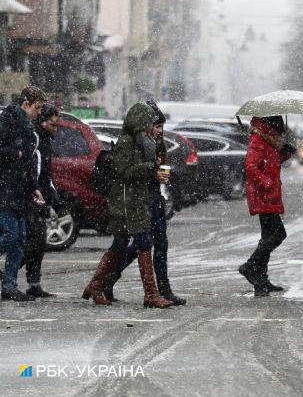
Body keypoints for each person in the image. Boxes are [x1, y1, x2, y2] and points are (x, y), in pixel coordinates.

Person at [82, 102, 173, 308]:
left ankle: (96, 285)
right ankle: (150, 294)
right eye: (149, 123)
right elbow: (125, 172)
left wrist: (155, 170)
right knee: (139, 242)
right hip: (125, 200)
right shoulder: (127, 141)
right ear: (140, 122)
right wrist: (151, 168)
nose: (153, 127)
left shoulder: (144, 141)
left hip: (136, 199)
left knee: (125, 243)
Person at [102, 100, 185, 305]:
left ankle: (162, 289)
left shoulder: (155, 142)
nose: (159, 130)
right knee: (138, 244)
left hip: (154, 197)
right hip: (140, 198)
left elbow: (159, 166)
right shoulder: (136, 141)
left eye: (161, 127)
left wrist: (160, 174)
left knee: (158, 243)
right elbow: (129, 171)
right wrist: (152, 172)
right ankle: (109, 281)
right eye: (156, 126)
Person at [239, 116, 294, 297]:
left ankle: (261, 280)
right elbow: (251, 167)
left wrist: (284, 154)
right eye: (279, 130)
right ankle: (250, 266)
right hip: (263, 194)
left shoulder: (267, 140)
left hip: (268, 194)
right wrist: (268, 183)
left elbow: (269, 161)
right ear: (271, 127)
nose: (280, 134)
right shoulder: (258, 139)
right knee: (278, 234)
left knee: (267, 236)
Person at [0, 86, 46, 301]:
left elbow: (28, 163)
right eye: (37, 107)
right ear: (26, 104)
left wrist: (33, 187)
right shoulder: (7, 120)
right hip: (4, 189)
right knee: (10, 235)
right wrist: (15, 153)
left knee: (20, 240)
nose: (39, 112)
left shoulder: (28, 127)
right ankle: (8, 285)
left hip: (19, 191)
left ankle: (9, 286)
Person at [19, 104, 62, 298]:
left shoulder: (45, 140)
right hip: (30, 197)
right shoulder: (35, 138)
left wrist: (52, 197)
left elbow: (46, 174)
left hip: (39, 198)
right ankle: (13, 279)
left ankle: (33, 283)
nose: (56, 128)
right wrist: (34, 191)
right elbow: (32, 170)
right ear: (43, 122)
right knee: (30, 241)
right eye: (53, 124)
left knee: (37, 242)